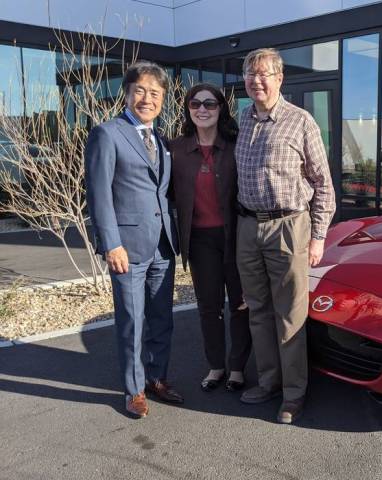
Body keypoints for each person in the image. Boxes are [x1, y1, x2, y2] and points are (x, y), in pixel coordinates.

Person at [234, 48, 335, 424]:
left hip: (289, 226)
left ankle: (294, 395)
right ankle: (268, 382)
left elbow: (323, 184)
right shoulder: (242, 119)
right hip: (248, 225)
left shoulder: (301, 121)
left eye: (263, 74)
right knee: (258, 311)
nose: (256, 80)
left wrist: (318, 236)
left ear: (279, 79)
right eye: (250, 74)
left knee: (291, 314)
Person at [85, 60, 182, 418]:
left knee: (162, 318)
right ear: (127, 93)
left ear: (162, 100)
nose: (147, 98)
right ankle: (134, 390)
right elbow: (98, 194)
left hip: (162, 246)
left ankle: (158, 377)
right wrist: (110, 243)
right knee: (132, 320)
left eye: (155, 93)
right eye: (140, 90)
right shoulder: (107, 133)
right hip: (126, 247)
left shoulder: (161, 138)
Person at [169, 83, 252, 392]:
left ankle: (238, 368)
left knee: (241, 305)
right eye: (195, 104)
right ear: (188, 110)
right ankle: (216, 367)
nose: (202, 109)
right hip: (201, 241)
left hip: (236, 237)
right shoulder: (176, 149)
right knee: (209, 307)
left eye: (210, 104)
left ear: (221, 109)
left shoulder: (236, 144)